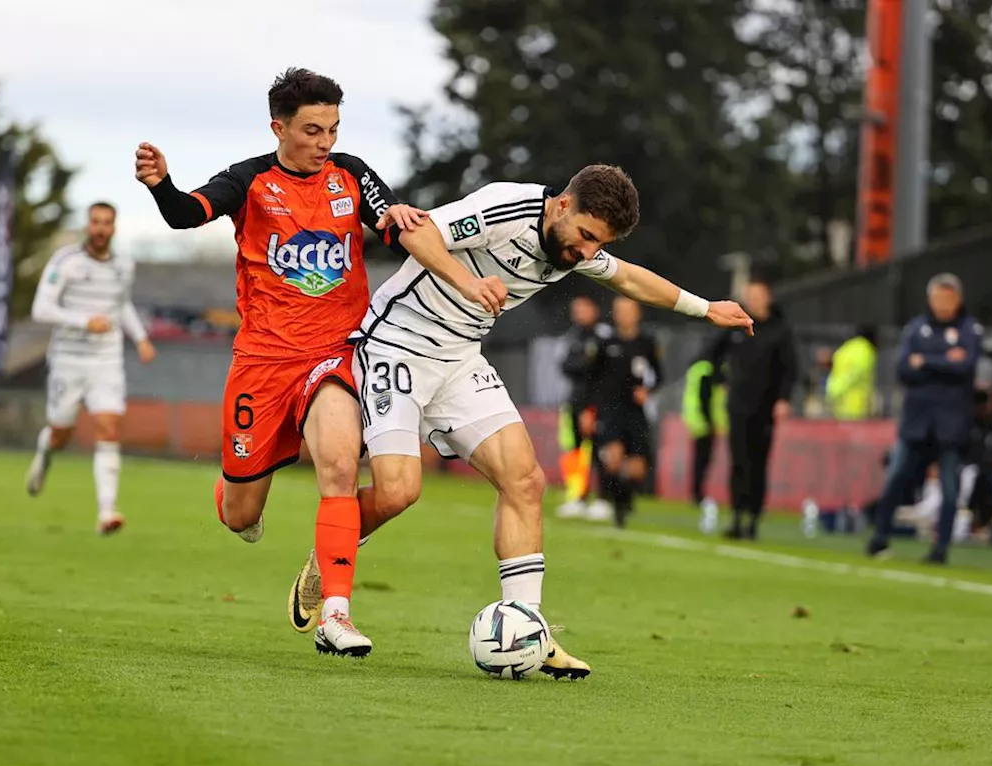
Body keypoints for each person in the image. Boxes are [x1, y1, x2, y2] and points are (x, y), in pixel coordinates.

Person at [292, 164, 753, 678]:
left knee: (525, 480)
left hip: (459, 360)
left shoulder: (573, 246)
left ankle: (528, 626)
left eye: (595, 245)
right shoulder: (507, 207)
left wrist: (705, 307)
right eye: (584, 237)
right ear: (562, 205)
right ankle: (333, 564)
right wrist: (468, 283)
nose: (584, 253)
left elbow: (626, 277)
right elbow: (416, 232)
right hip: (397, 345)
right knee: (398, 491)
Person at [135, 68, 427, 656]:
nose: (325, 142)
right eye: (313, 130)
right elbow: (187, 213)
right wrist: (162, 185)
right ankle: (235, 496)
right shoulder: (248, 181)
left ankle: (336, 614)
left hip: (335, 354)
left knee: (341, 469)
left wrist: (408, 224)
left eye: (333, 129)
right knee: (241, 514)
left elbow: (391, 223)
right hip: (263, 363)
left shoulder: (351, 173)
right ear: (279, 127)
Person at [25, 202, 157, 533]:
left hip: (106, 360)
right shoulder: (65, 262)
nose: (100, 228)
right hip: (68, 359)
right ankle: (45, 450)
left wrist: (140, 337)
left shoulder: (124, 265)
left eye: (107, 223)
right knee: (60, 432)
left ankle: (107, 511)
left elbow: (121, 304)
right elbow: (41, 309)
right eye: (95, 222)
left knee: (109, 428)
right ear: (87, 225)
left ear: (114, 227)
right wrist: (85, 321)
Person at [865, 273, 982, 564]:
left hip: (951, 425)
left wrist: (926, 362)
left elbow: (965, 367)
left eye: (948, 298)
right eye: (938, 298)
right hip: (917, 422)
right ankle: (880, 537)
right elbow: (904, 368)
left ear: (958, 300)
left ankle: (940, 547)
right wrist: (945, 361)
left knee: (950, 488)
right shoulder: (916, 328)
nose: (943, 304)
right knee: (896, 476)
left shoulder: (970, 329)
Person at [704, 279, 797, 540]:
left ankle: (753, 518)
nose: (754, 301)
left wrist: (783, 399)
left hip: (765, 407)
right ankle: (736, 516)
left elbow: (789, 369)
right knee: (739, 462)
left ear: (768, 297)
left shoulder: (780, 331)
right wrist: (720, 382)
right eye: (750, 296)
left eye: (758, 295)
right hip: (738, 405)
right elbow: (710, 355)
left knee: (758, 463)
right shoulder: (735, 327)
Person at [589, 297, 662, 527]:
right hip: (610, 411)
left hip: (635, 411)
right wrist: (589, 410)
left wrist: (647, 390)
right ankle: (616, 507)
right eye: (619, 310)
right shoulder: (605, 342)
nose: (624, 315)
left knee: (637, 469)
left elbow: (660, 374)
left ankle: (625, 500)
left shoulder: (647, 342)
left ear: (637, 313)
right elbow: (592, 379)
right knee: (613, 460)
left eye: (628, 310)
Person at [555, 295, 612, 520]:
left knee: (600, 451)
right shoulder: (573, 336)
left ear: (594, 309)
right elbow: (566, 365)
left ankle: (603, 499)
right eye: (575, 309)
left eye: (582, 309)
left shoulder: (603, 336)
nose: (578, 314)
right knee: (576, 452)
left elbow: (601, 369)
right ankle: (578, 496)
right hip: (575, 400)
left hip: (597, 402)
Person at [681, 344, 728, 533]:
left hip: (697, 420)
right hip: (703, 422)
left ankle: (696, 493)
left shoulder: (698, 367)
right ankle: (697, 494)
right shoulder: (708, 370)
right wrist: (710, 422)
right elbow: (705, 398)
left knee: (700, 459)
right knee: (702, 459)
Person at [826, 325, 878, 420]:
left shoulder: (845, 348)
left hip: (839, 402)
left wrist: (834, 391)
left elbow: (835, 371)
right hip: (858, 404)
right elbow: (857, 374)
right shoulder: (865, 349)